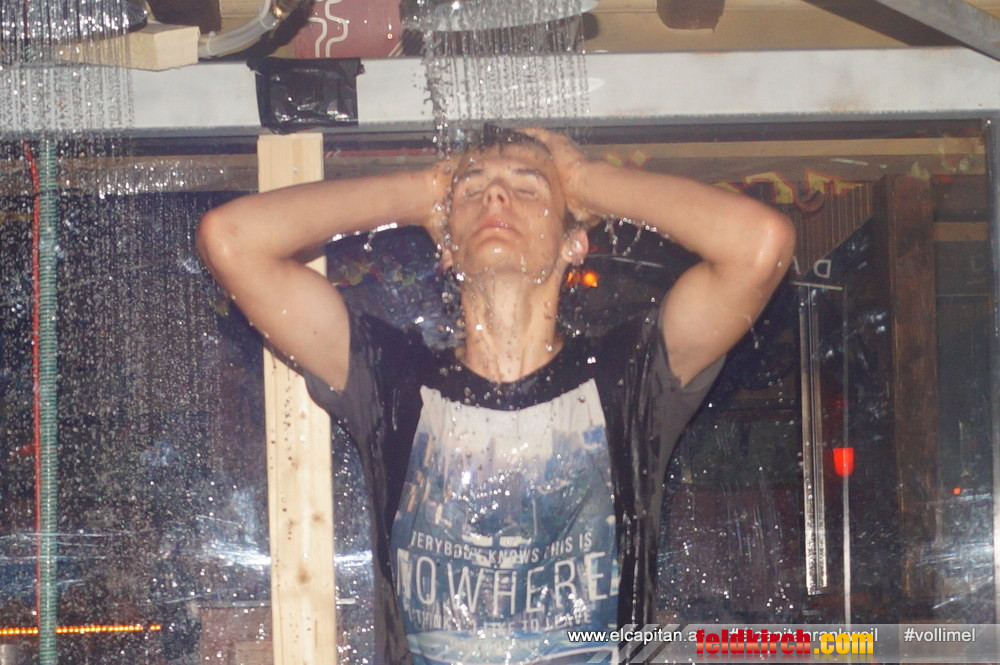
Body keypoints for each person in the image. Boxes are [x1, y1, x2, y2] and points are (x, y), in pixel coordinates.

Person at [197, 128, 795, 665]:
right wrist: (424, 191)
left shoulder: (629, 375)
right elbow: (231, 240)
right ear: (446, 244)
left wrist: (584, 179)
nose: (497, 198)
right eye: (473, 191)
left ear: (574, 243)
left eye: (528, 189)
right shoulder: (389, 377)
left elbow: (759, 244)